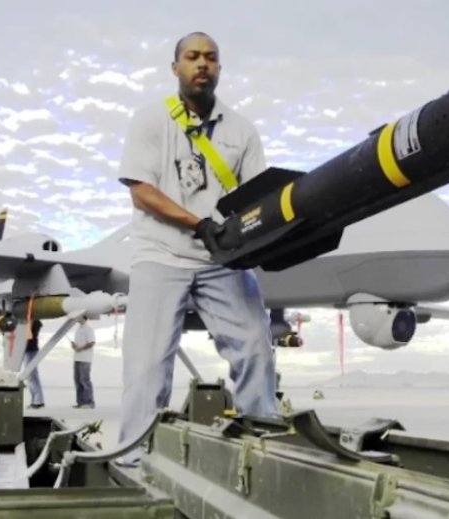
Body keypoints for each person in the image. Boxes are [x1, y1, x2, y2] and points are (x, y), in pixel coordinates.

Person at [114, 31, 278, 464]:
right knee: (147, 367)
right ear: (176, 68)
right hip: (159, 255)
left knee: (256, 348)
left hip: (222, 259)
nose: (202, 64)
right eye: (192, 57)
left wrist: (260, 238)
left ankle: (262, 451)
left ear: (219, 69)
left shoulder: (242, 130)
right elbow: (141, 191)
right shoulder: (150, 120)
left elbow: (257, 197)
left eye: (210, 58)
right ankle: (133, 460)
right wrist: (198, 223)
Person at [70, 315, 95, 409]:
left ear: (83, 317)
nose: (76, 318)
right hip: (77, 358)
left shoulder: (88, 329)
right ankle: (80, 402)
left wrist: (80, 348)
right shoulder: (78, 329)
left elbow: (92, 343)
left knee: (84, 380)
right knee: (77, 380)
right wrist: (74, 346)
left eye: (78, 317)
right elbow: (79, 344)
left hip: (85, 358)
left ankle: (89, 402)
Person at [23, 319, 45, 409]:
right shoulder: (30, 322)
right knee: (30, 376)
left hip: (31, 350)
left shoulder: (35, 323)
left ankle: (38, 400)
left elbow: (29, 335)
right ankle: (34, 400)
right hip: (28, 350)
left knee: (33, 375)